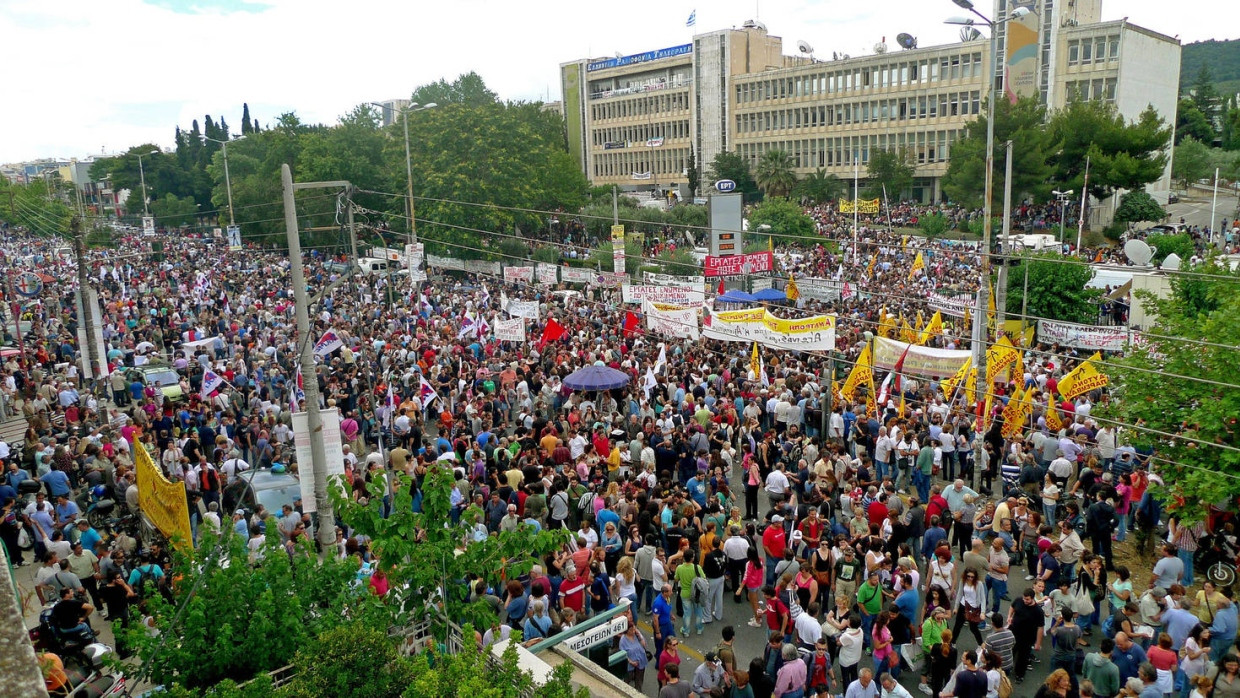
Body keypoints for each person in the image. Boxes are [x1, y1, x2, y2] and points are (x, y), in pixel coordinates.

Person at [1009, 588, 1046, 681]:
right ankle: (1007, 668)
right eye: (1024, 598)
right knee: (1010, 652)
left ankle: (1019, 674)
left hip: (1027, 638)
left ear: (1033, 598)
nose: (1025, 601)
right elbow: (1012, 606)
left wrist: (1038, 643)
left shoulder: (1038, 611)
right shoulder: (1019, 600)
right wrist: (1009, 617)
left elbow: (1040, 627)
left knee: (1023, 657)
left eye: (1027, 599)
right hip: (1014, 633)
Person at [618, 621, 648, 690]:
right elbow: (622, 653)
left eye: (634, 629)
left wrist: (639, 634)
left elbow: (644, 645)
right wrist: (631, 662)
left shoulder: (636, 635)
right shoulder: (623, 640)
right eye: (631, 630)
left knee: (639, 680)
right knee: (628, 679)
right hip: (630, 663)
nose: (633, 631)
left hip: (640, 660)